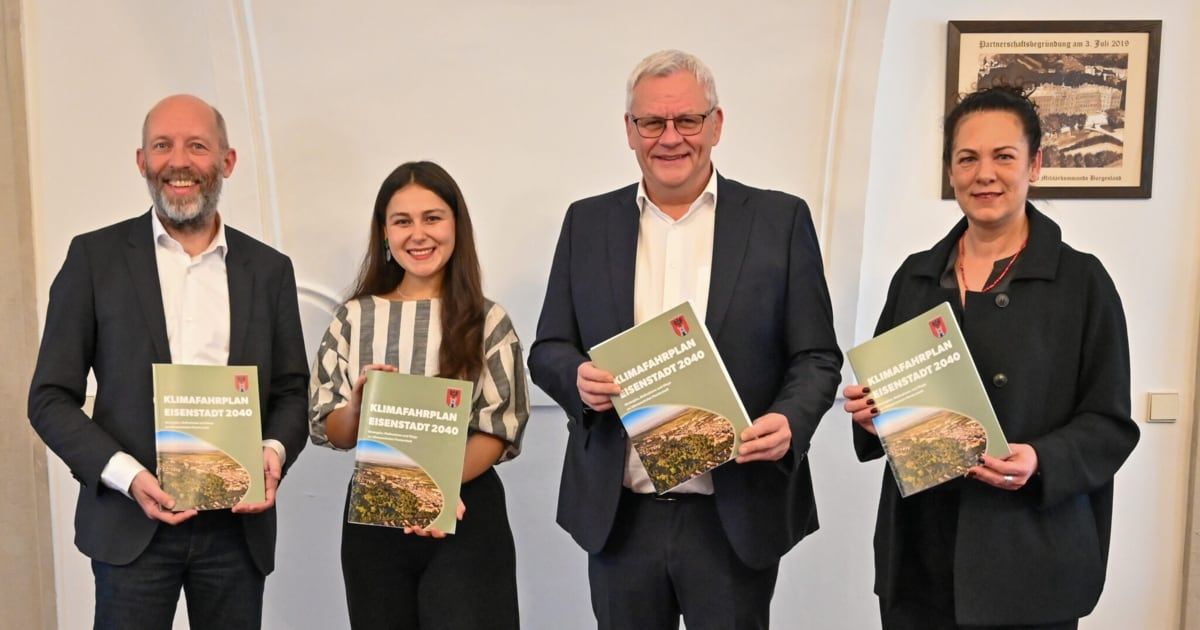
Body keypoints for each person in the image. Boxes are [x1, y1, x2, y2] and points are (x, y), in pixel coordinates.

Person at [528, 49, 842, 629]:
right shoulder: (586, 224)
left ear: (716, 124)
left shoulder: (779, 220)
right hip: (621, 515)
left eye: (687, 121)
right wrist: (576, 380)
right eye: (652, 122)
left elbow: (817, 356)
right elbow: (547, 348)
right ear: (629, 131)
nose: (670, 138)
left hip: (733, 514)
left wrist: (791, 420)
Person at [844, 85, 1140, 629]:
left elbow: (1110, 425)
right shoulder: (914, 277)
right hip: (920, 560)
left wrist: (1041, 459)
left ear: (1036, 164)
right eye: (968, 158)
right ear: (950, 172)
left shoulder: (1082, 282)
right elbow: (885, 406)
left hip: (1029, 558)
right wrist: (870, 413)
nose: (985, 174)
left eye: (1004, 156)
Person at [27, 94, 310, 629]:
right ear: (142, 161)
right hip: (130, 526)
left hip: (236, 531)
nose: (178, 161)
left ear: (226, 162)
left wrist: (272, 452)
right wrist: (127, 476)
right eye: (163, 146)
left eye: (197, 146)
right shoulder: (93, 258)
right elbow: (48, 398)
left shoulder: (270, 270)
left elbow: (292, 390)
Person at [309, 161, 529, 629]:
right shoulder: (352, 317)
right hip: (375, 519)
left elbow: (497, 427)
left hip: (466, 511)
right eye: (402, 221)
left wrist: (437, 491)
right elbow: (331, 427)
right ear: (384, 234)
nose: (418, 234)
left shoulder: (489, 320)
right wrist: (356, 407)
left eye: (433, 217)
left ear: (456, 226)